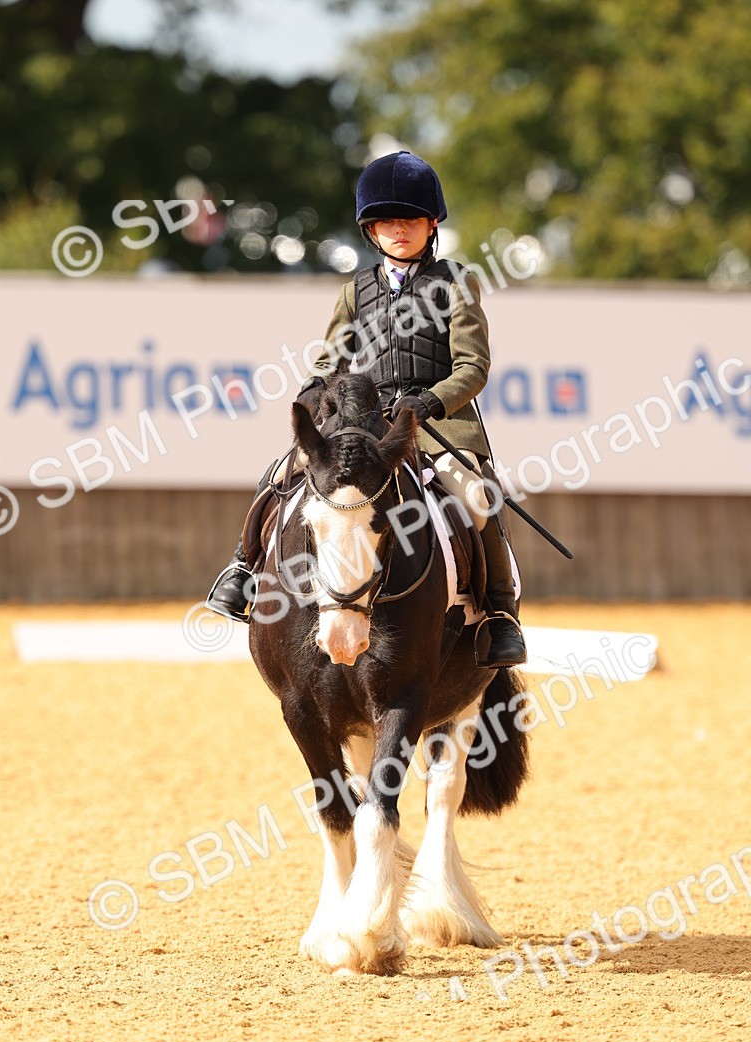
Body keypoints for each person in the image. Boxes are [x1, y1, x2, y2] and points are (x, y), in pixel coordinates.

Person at [207, 150, 527, 668]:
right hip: (368, 425)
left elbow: (474, 367)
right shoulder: (355, 291)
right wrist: (315, 389)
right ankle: (243, 567)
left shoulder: (456, 283)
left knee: (476, 496)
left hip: (436, 425)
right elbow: (331, 358)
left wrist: (430, 400)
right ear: (371, 230)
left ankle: (500, 615)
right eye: (386, 221)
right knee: (285, 470)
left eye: (410, 220)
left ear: (431, 225)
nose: (399, 229)